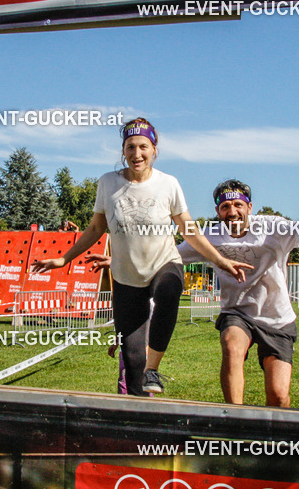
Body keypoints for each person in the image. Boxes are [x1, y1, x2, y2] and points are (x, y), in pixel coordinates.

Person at [31, 118, 251, 396]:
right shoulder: (108, 183)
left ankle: (154, 368)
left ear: (154, 150)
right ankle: (138, 419)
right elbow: (97, 228)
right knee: (132, 362)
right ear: (123, 150)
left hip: (164, 263)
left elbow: (188, 228)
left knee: (169, 290)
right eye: (131, 147)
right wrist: (65, 259)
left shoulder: (168, 184)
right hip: (126, 278)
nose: (137, 154)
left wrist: (220, 260)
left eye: (143, 147)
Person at [177, 180, 299, 407]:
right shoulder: (209, 236)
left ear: (250, 207)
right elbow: (169, 256)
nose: (232, 212)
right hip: (237, 312)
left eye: (238, 205)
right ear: (218, 212)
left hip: (277, 318)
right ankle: (235, 419)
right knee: (231, 345)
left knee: (278, 396)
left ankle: (275, 439)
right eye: (225, 207)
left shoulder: (271, 227)